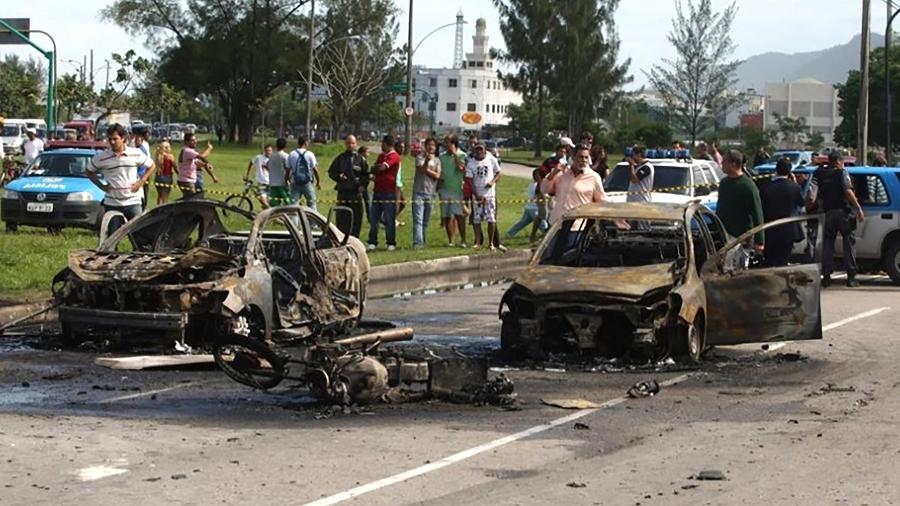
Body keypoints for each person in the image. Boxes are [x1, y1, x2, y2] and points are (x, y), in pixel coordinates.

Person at [808, 151, 866, 287]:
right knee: (849, 243)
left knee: (828, 244)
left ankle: (827, 277)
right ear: (839, 161)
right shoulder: (842, 173)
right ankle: (851, 277)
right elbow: (848, 191)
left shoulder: (819, 173)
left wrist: (808, 207)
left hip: (827, 212)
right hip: (843, 213)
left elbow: (812, 194)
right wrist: (858, 208)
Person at [86, 123, 155, 234]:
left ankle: (140, 250)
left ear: (123, 139)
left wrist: (141, 181)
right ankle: (112, 252)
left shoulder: (136, 153)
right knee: (113, 236)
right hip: (113, 202)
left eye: (115, 139)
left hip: (133, 200)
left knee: (139, 233)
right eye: (110, 139)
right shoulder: (102, 158)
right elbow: (89, 171)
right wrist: (101, 186)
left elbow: (151, 166)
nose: (112, 142)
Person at [716, 149, 765, 265]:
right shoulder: (724, 184)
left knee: (738, 271)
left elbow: (757, 214)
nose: (721, 164)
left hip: (741, 238)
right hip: (723, 236)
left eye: (724, 162)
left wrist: (760, 242)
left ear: (733, 164)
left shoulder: (748, 187)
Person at [541, 143, 606, 224]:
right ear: (573, 157)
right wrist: (552, 174)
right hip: (556, 223)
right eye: (581, 157)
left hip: (577, 226)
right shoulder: (562, 172)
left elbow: (602, 201)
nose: (584, 160)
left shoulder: (594, 177)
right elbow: (544, 189)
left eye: (586, 157)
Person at [761, 157, 804, 267]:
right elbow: (801, 203)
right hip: (788, 230)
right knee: (783, 261)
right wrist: (794, 182)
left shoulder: (766, 187)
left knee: (770, 261)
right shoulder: (794, 187)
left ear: (776, 170)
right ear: (790, 172)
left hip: (770, 229)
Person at [328, 134, 369, 237]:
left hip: (355, 194)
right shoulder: (340, 158)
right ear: (345, 144)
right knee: (342, 217)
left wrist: (363, 185)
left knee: (356, 218)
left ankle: (354, 239)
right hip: (343, 193)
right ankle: (341, 238)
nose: (350, 145)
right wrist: (338, 176)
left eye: (353, 143)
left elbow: (367, 174)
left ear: (356, 144)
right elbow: (331, 172)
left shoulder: (361, 159)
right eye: (349, 143)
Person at [465, 143, 502, 250]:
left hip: (490, 195)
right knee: (476, 219)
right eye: (477, 149)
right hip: (477, 195)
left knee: (491, 219)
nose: (479, 151)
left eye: (481, 149)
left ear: (485, 150)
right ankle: (477, 242)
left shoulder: (491, 159)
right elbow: (469, 180)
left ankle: (491, 243)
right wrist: (476, 194)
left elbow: (498, 173)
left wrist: (492, 182)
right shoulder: (471, 163)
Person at [367, 135, 401, 251]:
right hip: (377, 191)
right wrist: (375, 169)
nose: (381, 146)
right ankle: (372, 241)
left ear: (387, 144)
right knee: (374, 218)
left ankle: (391, 242)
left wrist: (376, 168)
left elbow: (382, 168)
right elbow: (375, 169)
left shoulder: (394, 156)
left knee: (389, 219)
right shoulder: (381, 156)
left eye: (382, 143)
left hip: (389, 192)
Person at [438, 134, 468, 247]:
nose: (446, 145)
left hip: (457, 190)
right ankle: (451, 240)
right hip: (445, 189)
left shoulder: (462, 155)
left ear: (454, 143)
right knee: (447, 216)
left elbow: (461, 169)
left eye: (448, 142)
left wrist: (455, 155)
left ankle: (463, 240)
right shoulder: (442, 156)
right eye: (445, 142)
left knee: (459, 215)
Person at [411, 137, 442, 247]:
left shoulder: (437, 160)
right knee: (418, 219)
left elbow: (438, 175)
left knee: (425, 220)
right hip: (418, 192)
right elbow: (421, 170)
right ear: (425, 146)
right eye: (429, 144)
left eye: (433, 145)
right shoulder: (420, 157)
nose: (431, 147)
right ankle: (418, 243)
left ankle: (423, 240)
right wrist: (427, 163)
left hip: (431, 193)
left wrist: (427, 171)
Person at [507, 168, 549, 242]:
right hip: (535, 209)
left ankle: (510, 233)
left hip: (528, 207)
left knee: (521, 223)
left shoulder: (531, 184)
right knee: (543, 225)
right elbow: (541, 195)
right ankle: (547, 237)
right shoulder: (538, 185)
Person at [288, 136, 320, 210]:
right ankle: (312, 221)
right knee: (312, 203)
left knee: (294, 206)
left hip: (295, 182)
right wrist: (318, 181)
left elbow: (287, 169)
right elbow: (315, 170)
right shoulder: (310, 154)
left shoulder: (292, 154)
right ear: (306, 143)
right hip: (307, 182)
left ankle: (293, 221)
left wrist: (287, 180)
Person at [177, 133, 214, 198]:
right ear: (186, 142)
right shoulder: (187, 151)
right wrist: (209, 148)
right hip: (186, 181)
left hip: (187, 180)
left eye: (195, 140)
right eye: (192, 140)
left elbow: (197, 162)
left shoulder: (188, 151)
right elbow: (202, 156)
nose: (195, 142)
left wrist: (206, 164)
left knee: (189, 201)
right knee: (191, 201)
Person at [245, 144, 272, 209]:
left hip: (270, 183)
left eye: (270, 150)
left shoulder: (273, 159)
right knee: (263, 201)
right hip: (261, 183)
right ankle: (270, 211)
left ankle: (271, 212)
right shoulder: (258, 157)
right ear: (264, 151)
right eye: (267, 150)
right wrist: (247, 174)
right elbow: (251, 162)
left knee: (266, 202)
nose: (268, 152)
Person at [268, 138, 291, 207]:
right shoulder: (285, 156)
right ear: (285, 146)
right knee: (288, 202)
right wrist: (288, 179)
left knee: (273, 204)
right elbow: (288, 169)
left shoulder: (271, 156)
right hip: (282, 183)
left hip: (273, 183)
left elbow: (268, 166)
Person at [154, 140, 176, 205]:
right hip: (166, 177)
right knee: (165, 197)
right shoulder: (170, 156)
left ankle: (158, 209)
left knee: (160, 196)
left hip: (158, 177)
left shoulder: (158, 155)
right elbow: (175, 166)